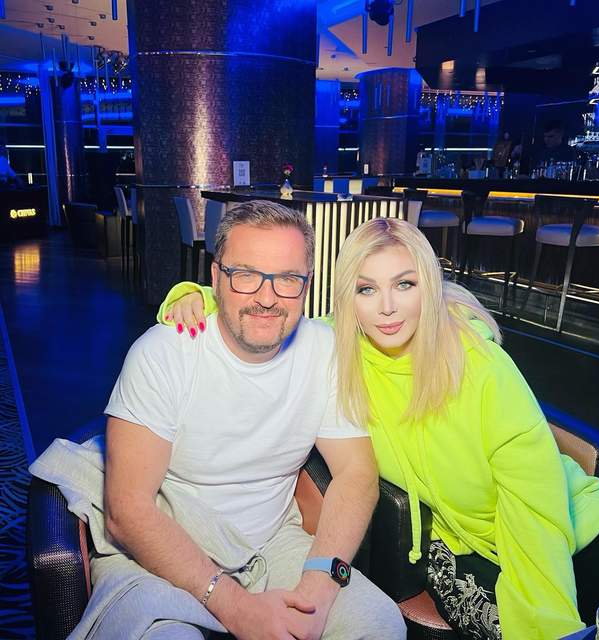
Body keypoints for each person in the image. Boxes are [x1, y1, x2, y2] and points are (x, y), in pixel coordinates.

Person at [164, 217, 599, 640]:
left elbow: (536, 506)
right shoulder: (338, 350)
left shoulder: (478, 364)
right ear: (349, 299)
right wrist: (197, 297)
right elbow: (270, 316)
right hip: (470, 545)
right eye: (367, 289)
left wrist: (547, 621)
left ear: (427, 287)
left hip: (571, 526)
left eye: (404, 284)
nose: (387, 308)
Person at [99, 201, 406, 640]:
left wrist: (319, 586)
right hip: (166, 546)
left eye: (287, 279)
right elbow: (127, 510)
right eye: (245, 275)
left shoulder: (325, 351)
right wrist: (237, 607)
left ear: (307, 285)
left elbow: (357, 472)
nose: (266, 297)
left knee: (377, 623)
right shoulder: (163, 353)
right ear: (215, 278)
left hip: (272, 542)